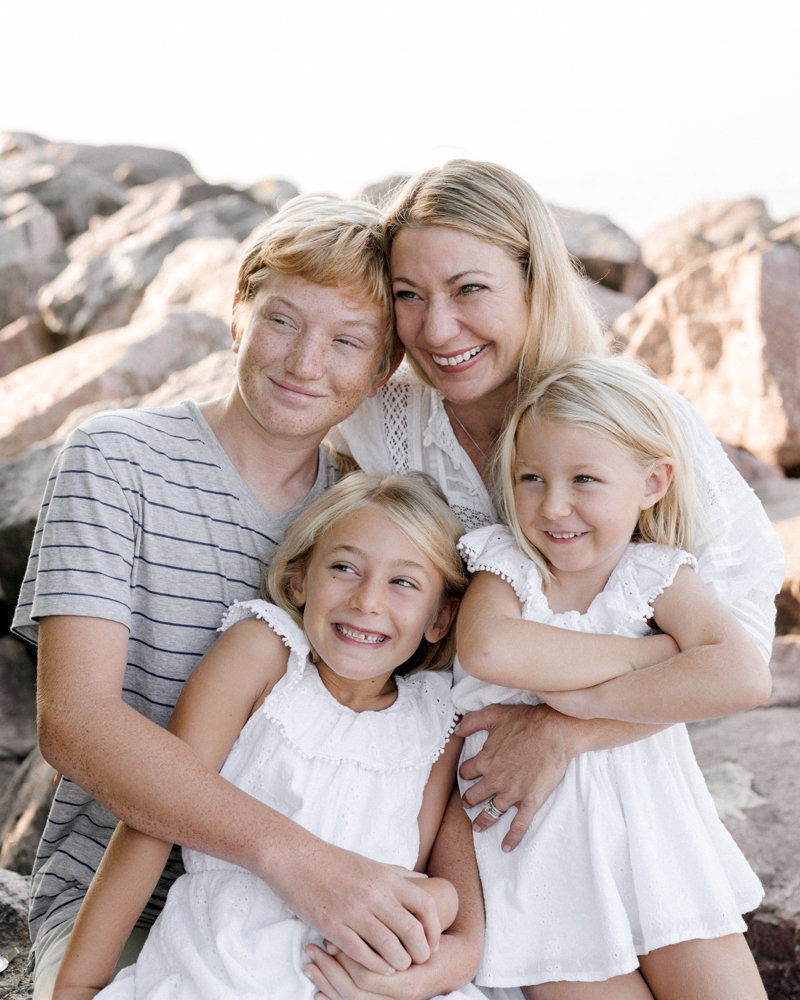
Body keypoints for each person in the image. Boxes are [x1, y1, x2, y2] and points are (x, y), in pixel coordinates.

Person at [11, 194, 472, 1000]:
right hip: (129, 905)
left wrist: (440, 942)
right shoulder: (117, 459)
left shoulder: (366, 524)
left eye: (347, 342)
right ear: (236, 314)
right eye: (283, 321)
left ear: (382, 371)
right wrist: (303, 864)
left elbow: (423, 734)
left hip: (325, 925)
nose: (304, 363)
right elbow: (74, 724)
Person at [333, 158, 784, 848]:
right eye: (409, 295)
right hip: (444, 790)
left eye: (469, 289)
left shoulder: (632, 417)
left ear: (533, 281)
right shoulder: (380, 422)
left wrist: (563, 730)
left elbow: (742, 634)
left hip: (619, 772)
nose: (438, 329)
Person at [52, 472, 486, 1000]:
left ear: (440, 617)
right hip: (222, 971)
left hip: (347, 982)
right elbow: (153, 816)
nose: (368, 601)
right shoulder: (266, 653)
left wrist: (436, 904)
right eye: (345, 568)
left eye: (404, 582)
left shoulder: (437, 718)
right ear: (301, 580)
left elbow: (409, 877)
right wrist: (79, 984)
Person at [453, 355, 769, 998]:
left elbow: (743, 675)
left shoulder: (654, 573)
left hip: (662, 847)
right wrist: (652, 658)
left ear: (652, 483)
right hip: (546, 867)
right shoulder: (506, 563)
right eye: (531, 478)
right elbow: (489, 647)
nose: (554, 505)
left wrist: (582, 698)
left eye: (585, 479)